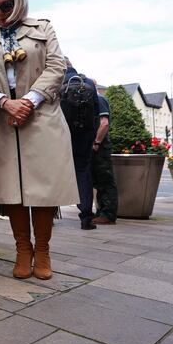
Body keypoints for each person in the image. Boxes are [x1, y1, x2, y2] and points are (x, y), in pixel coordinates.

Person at [0, 0, 78, 280]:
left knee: (43, 188)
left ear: (18, 1)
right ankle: (23, 249)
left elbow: (57, 66)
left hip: (41, 115)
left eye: (5, 5)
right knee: (12, 189)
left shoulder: (42, 28)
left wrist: (29, 101)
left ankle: (43, 250)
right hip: (4, 118)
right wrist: (5, 103)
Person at [62, 59, 99, 230]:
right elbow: (97, 114)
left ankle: (50, 214)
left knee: (54, 171)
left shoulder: (58, 82)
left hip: (62, 134)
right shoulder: (89, 83)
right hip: (85, 134)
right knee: (83, 172)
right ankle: (86, 217)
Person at [91, 81, 118, 224]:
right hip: (99, 146)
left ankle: (108, 214)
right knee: (99, 181)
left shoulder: (99, 99)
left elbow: (104, 123)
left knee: (105, 180)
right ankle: (102, 212)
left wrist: (96, 142)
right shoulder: (96, 100)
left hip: (100, 147)